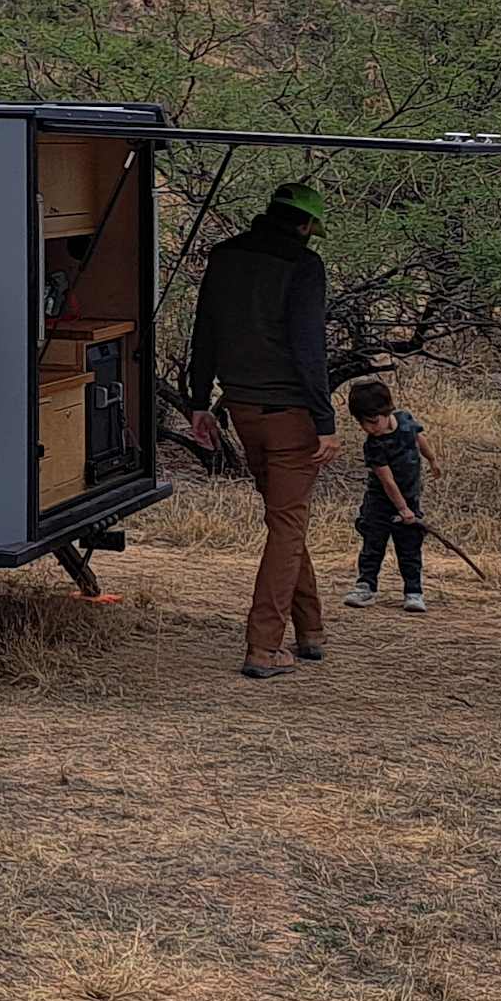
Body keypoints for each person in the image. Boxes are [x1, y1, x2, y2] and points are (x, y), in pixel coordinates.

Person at [188, 178, 336, 678]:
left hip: (242, 408)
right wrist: (326, 420)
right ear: (307, 225)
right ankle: (263, 646)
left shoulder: (225, 255)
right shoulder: (303, 266)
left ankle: (311, 630)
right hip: (291, 414)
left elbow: (203, 330)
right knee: (286, 526)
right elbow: (309, 349)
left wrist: (197, 401)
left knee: (284, 522)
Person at [343, 377, 429, 613]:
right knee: (373, 544)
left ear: (386, 410)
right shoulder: (374, 446)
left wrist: (432, 459)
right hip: (380, 504)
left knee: (410, 546)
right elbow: (387, 481)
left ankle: (413, 591)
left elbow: (419, 438)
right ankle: (366, 587)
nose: (370, 428)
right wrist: (402, 509)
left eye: (373, 421)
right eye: (363, 424)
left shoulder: (406, 421)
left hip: (410, 498)